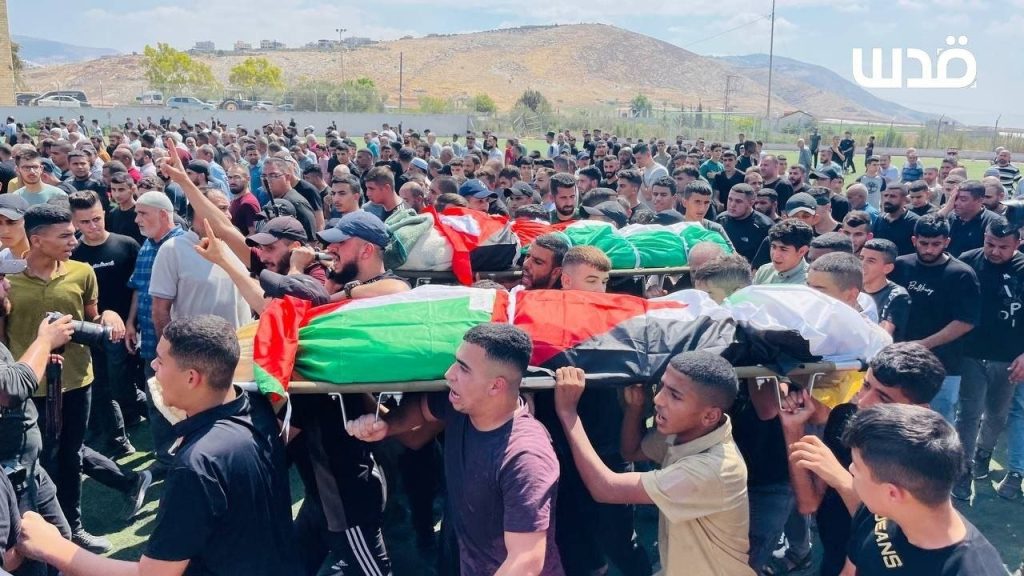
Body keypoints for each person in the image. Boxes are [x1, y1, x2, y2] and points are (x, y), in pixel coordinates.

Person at [17, 315, 302, 576]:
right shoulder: (260, 410)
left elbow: (154, 574)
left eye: (161, 362)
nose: (153, 366)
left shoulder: (197, 464)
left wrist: (55, 547)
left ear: (192, 378)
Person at [347, 324, 565, 575]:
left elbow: (526, 560)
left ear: (495, 386)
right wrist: (387, 426)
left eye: (463, 368)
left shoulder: (525, 457)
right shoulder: (462, 404)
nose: (449, 374)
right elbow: (422, 410)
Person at [550, 352, 753, 575]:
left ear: (710, 416)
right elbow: (632, 452)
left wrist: (568, 413)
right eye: (662, 386)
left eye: (675, 395)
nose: (658, 400)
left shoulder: (712, 469)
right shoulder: (689, 432)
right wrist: (634, 409)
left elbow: (605, 488)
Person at [4, 204, 123, 553]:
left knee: (71, 456)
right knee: (31, 462)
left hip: (76, 381)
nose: (75, 240)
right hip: (25, 389)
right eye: (66, 236)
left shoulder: (82, 272)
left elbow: (92, 317)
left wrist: (109, 316)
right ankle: (27, 537)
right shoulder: (8, 281)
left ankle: (73, 527)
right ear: (37, 240)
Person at [783, 343, 944, 576]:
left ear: (920, 409)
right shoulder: (844, 419)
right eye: (866, 385)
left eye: (884, 398)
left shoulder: (926, 458)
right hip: (834, 558)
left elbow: (893, 534)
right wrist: (793, 429)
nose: (864, 402)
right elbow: (809, 503)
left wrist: (841, 479)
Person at [840, 404, 1007, 575]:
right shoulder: (877, 512)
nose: (851, 469)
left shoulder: (973, 570)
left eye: (857, 467)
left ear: (892, 493)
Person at [953, 217, 1024, 500]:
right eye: (990, 244)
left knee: (997, 414)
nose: (995, 251)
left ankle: (984, 451)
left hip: (1009, 358)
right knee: (968, 414)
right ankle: (964, 467)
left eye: (1003, 247)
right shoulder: (967, 261)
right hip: (971, 353)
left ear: (1017, 243)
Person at [68, 191, 143, 455]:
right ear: (74, 223)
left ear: (104, 214)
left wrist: (131, 321)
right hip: (93, 331)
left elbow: (138, 287)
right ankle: (115, 436)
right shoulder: (73, 254)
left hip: (129, 328)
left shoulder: (126, 245)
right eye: (84, 222)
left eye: (96, 219)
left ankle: (136, 414)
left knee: (127, 381)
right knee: (102, 385)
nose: (92, 226)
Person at [891, 214, 980, 424]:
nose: (929, 249)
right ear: (914, 240)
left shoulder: (961, 274)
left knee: (936, 425)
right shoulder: (900, 266)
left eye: (936, 244)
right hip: (898, 361)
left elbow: (965, 321)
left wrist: (923, 345)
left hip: (942, 366)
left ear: (947, 242)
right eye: (924, 243)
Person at [126, 191, 185, 475]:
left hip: (179, 344)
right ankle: (165, 457)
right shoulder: (147, 246)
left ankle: (186, 455)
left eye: (142, 213)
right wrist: (130, 322)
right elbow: (139, 288)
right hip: (150, 341)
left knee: (184, 402)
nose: (137, 220)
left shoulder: (182, 246)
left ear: (163, 214)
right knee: (157, 401)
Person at [859, 239, 911, 341]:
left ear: (887, 268)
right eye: (861, 258)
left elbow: (883, 336)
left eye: (871, 261)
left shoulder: (898, 296)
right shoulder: (852, 286)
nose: (862, 264)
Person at [718, 183, 773, 264]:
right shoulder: (720, 220)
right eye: (730, 199)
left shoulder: (765, 226)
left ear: (751, 203)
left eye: (738, 201)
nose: (732, 205)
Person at [753, 220, 813, 285]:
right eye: (773, 247)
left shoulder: (811, 281)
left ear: (801, 251)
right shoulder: (764, 271)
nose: (776, 255)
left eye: (783, 249)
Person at [871, 183, 919, 256]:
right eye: (886, 195)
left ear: (905, 199)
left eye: (893, 196)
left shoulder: (914, 222)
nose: (887, 200)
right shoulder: (880, 219)